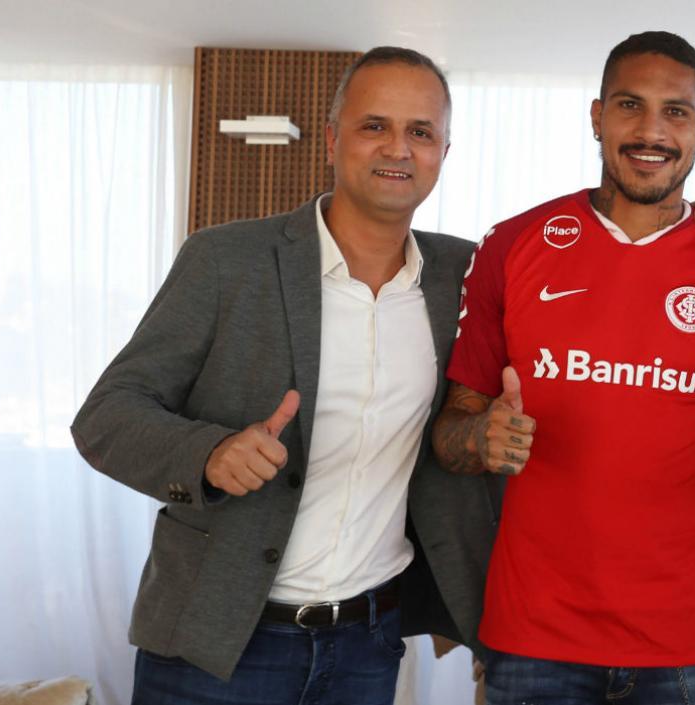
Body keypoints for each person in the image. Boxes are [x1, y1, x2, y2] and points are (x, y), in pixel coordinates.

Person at [70, 47, 500, 703]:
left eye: (421, 131)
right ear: (331, 138)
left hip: (367, 643)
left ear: (444, 149)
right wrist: (210, 453)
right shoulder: (226, 260)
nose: (398, 148)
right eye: (374, 125)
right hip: (215, 642)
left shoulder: (465, 276)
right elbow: (106, 417)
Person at [431, 31, 695, 705]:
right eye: (630, 105)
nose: (651, 131)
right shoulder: (514, 245)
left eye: (676, 112)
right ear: (597, 116)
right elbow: (450, 432)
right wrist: (480, 437)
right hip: (535, 637)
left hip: (689, 644)